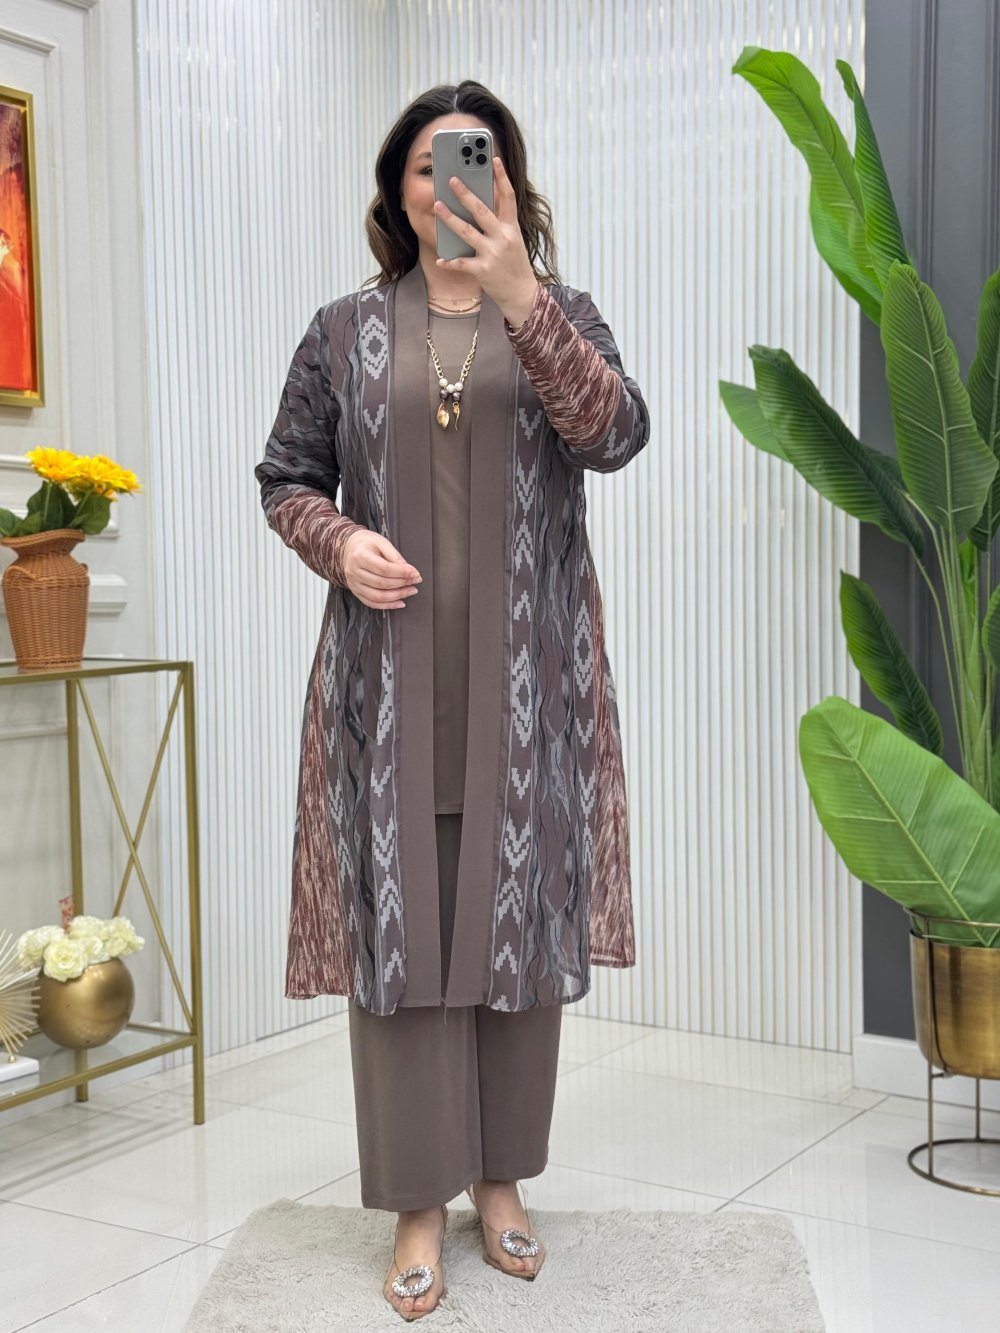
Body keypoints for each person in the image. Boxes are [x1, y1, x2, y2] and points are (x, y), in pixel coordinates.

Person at [255, 79, 650, 1321]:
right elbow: (285, 477)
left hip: (529, 691)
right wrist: (338, 544)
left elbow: (614, 434)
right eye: (425, 165)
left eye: (471, 161)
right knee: (402, 941)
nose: (447, 184)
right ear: (396, 189)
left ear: (508, 180)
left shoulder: (561, 314)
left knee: (513, 933)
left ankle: (501, 1180)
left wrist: (525, 298)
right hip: (387, 690)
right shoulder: (342, 331)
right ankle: (417, 1202)